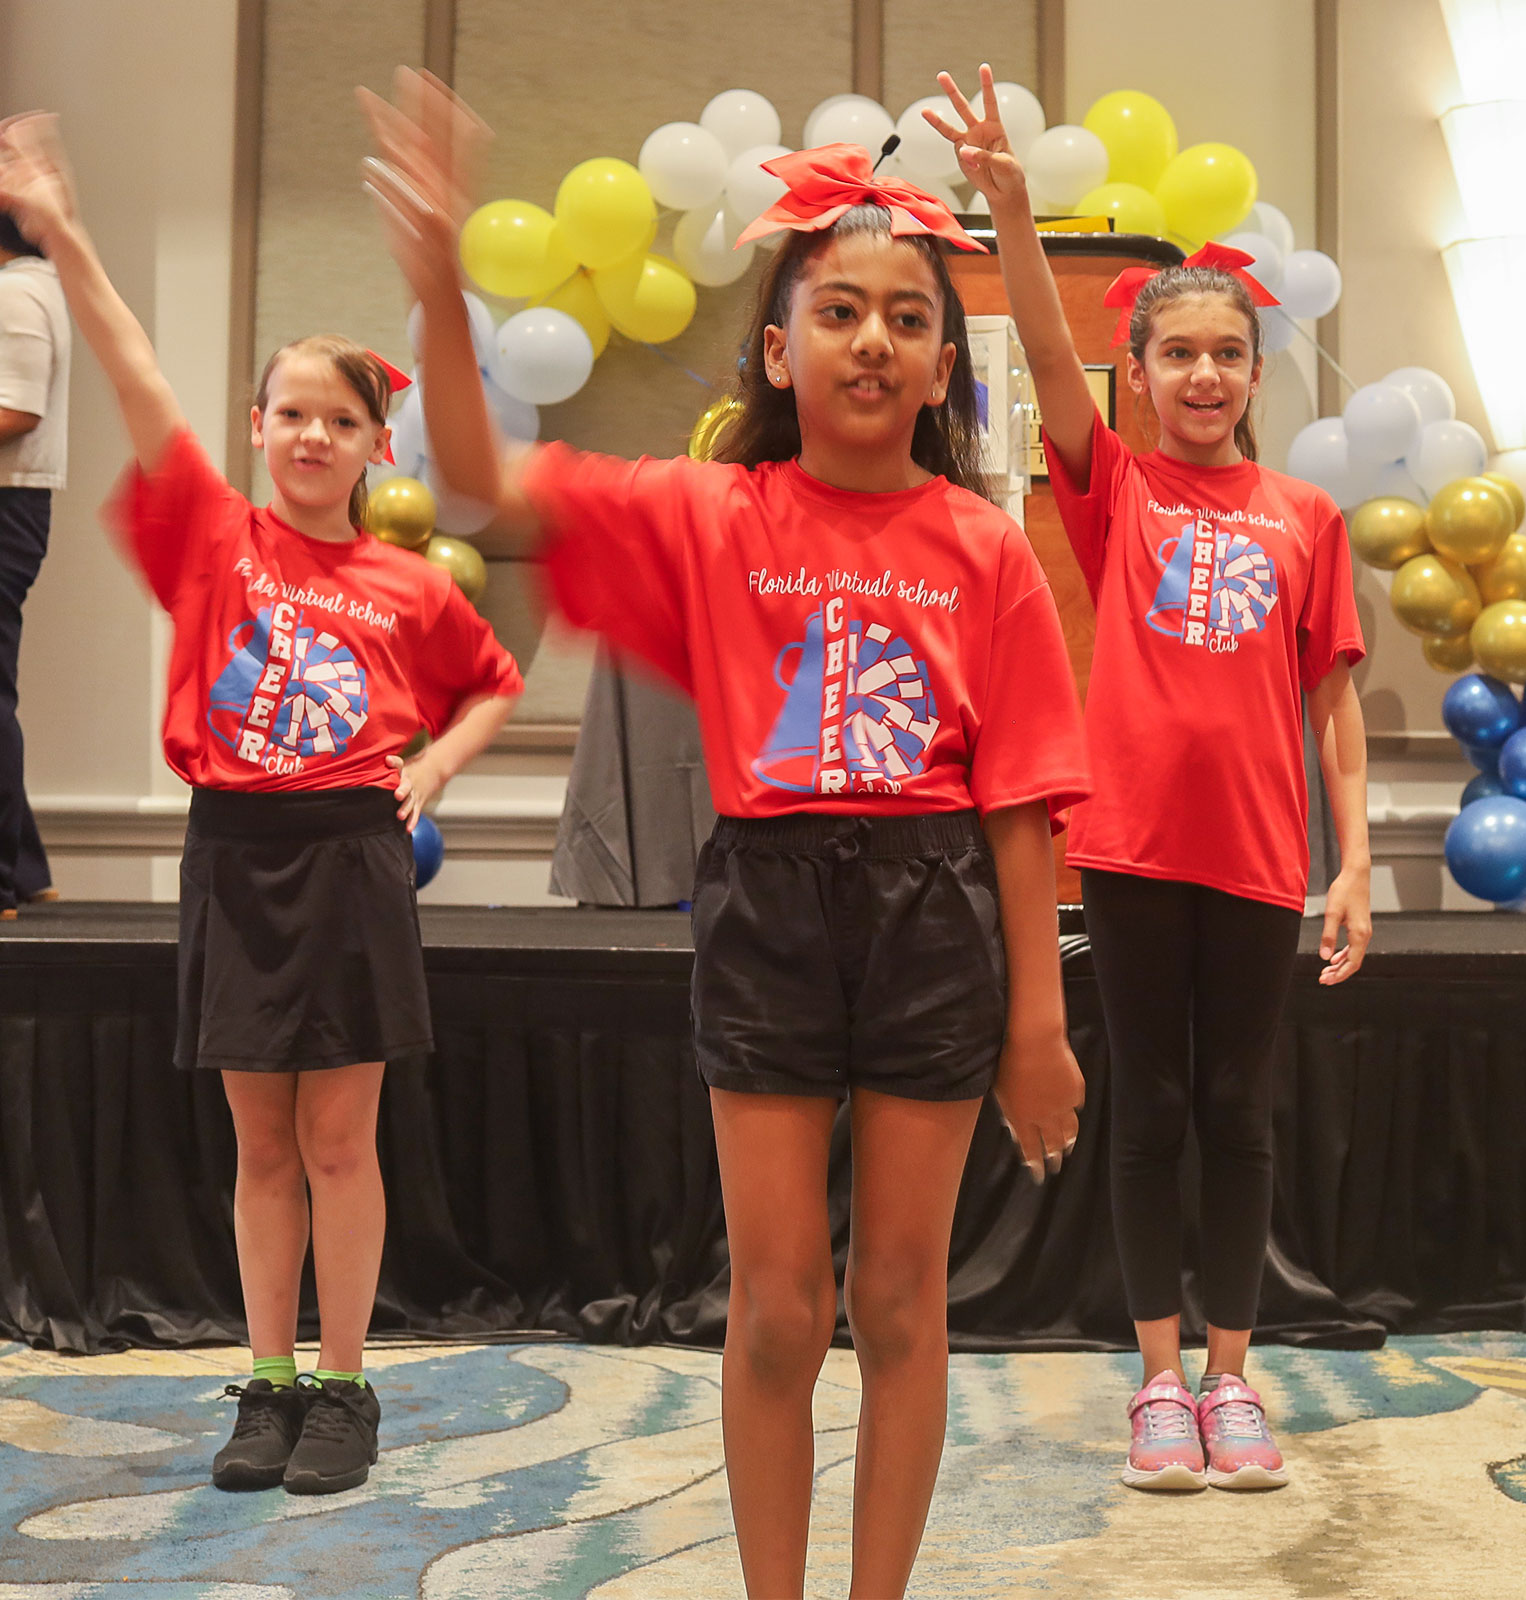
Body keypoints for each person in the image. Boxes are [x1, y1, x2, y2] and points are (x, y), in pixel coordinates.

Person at [361, 70, 1090, 1598]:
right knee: (774, 1307)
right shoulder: (708, 511)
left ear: (947, 359)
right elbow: (483, 481)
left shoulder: (983, 546)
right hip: (766, 907)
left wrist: (1041, 1022)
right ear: (778, 346)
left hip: (934, 906)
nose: (874, 338)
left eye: (907, 315)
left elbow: (1020, 799)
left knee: (900, 1301)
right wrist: (437, 290)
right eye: (838, 311)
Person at [0, 111, 524, 1496]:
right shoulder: (212, 536)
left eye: (338, 418)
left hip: (352, 859)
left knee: (341, 1138)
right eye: (288, 411)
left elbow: (492, 685)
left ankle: (346, 1388)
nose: (309, 433)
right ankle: (271, 1380)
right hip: (234, 855)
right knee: (262, 1142)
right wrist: (60, 229)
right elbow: (124, 367)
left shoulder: (412, 585)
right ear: (256, 426)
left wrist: (434, 768)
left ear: (374, 441)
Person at [930, 65, 1373, 1493]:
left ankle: (1236, 1380)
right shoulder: (1115, 489)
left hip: (1257, 857)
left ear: (1255, 375)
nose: (1199, 376)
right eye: (1175, 354)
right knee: (1151, 1109)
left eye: (1224, 357)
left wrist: (1353, 861)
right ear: (1145, 376)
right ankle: (1158, 1380)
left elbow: (1334, 705)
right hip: (1123, 848)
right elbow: (1052, 367)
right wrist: (1009, 211)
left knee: (1238, 1113)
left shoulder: (1306, 515)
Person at [0, 207, 67, 915]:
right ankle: (24, 869)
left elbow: (18, 409)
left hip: (7, 505)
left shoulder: (16, 291)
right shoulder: (32, 284)